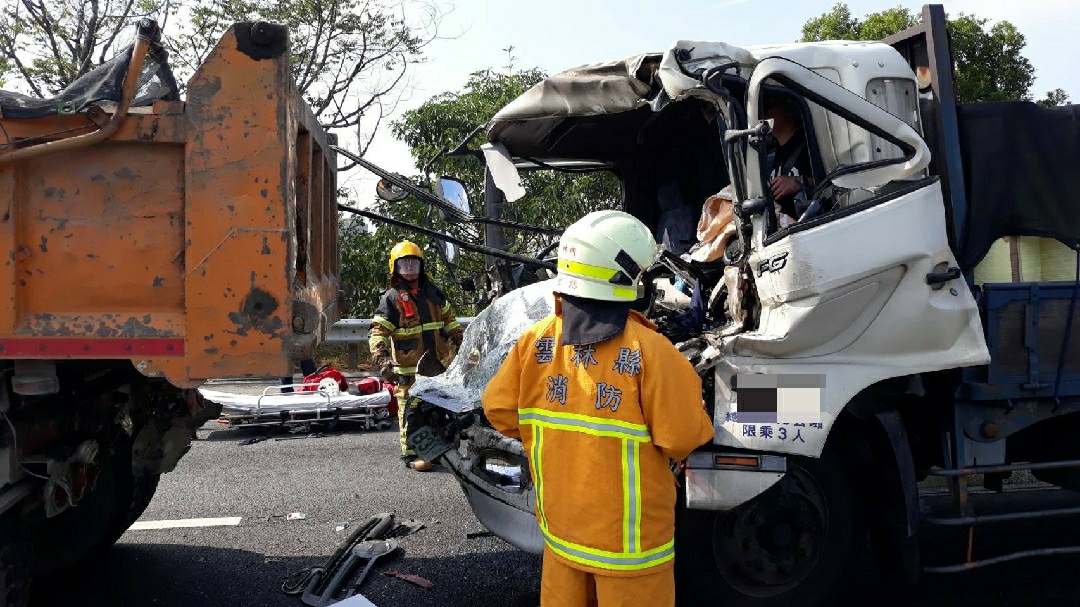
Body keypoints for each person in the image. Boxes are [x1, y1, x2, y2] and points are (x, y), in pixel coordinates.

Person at [481, 210, 715, 607]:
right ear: (625, 276)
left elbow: (499, 410)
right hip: (631, 550)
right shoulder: (652, 352)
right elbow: (684, 437)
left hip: (562, 536)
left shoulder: (535, 343)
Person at [368, 240, 464, 472]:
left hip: (437, 367)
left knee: (438, 409)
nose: (410, 269)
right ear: (395, 268)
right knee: (410, 411)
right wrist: (382, 358)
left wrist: (463, 344)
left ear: (421, 266)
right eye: (404, 264)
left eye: (414, 263)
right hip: (408, 369)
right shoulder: (391, 299)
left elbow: (450, 322)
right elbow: (378, 331)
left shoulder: (434, 294)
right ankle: (411, 454)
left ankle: (439, 452)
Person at [763, 94, 815, 222]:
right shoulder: (774, 153)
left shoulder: (810, 144)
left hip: (807, 224)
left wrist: (800, 182)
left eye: (770, 106)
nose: (764, 113)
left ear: (790, 110)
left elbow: (834, 179)